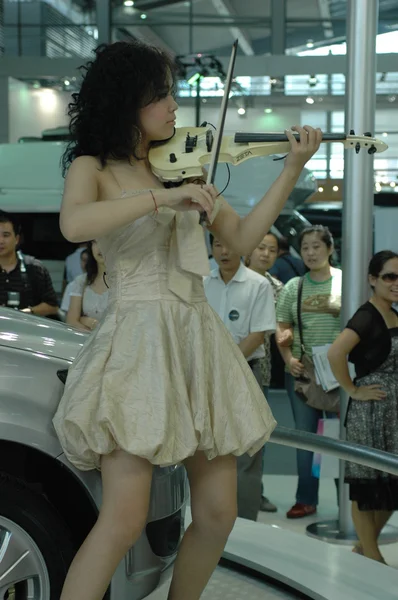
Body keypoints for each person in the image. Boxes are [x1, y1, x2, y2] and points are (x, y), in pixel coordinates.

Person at [51, 39, 322, 600]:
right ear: (129, 102)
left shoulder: (182, 169)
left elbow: (244, 239)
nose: (175, 107)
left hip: (197, 339)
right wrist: (161, 201)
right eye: (162, 96)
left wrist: (292, 166)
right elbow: (75, 224)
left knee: (219, 513)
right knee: (123, 519)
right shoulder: (94, 167)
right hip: (138, 342)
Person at [328, 250, 398, 563]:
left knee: (389, 485)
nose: (396, 283)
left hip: (392, 415)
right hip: (369, 414)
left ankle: (364, 547)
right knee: (366, 484)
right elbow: (335, 353)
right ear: (373, 280)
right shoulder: (367, 316)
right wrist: (352, 389)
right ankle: (371, 554)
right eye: (389, 277)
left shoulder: (394, 314)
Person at [204, 234, 276, 521]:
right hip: (206, 373)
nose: (224, 250)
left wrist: (226, 363)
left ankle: (246, 525)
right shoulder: (201, 282)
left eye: (230, 243)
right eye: (218, 244)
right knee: (207, 448)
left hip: (247, 371)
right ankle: (208, 521)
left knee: (248, 450)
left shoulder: (258, 284)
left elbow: (258, 334)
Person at [276, 225, 341, 519]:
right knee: (307, 438)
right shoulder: (294, 287)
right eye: (305, 248)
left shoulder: (344, 281)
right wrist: (288, 358)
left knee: (343, 438)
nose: (311, 253)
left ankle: (348, 499)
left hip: (341, 372)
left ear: (330, 248)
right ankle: (306, 498)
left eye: (317, 246)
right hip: (305, 373)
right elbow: (283, 327)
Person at [245, 232, 283, 513]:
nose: (266, 254)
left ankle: (254, 492)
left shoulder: (278, 288)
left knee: (259, 436)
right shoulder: (234, 280)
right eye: (261, 247)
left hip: (262, 368)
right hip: (231, 363)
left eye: (272, 250)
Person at [0, 209, 59, 317]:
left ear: (17, 239)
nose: (1, 241)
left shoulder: (35, 268)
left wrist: (26, 313)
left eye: (6, 235)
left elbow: (53, 306)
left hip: (26, 331)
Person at [66, 241, 108, 331]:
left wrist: (84, 320)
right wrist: (92, 324)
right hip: (85, 340)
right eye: (95, 242)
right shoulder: (81, 281)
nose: (99, 247)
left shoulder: (125, 282)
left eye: (106, 241)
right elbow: (71, 321)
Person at [61, 247, 89, 314]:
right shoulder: (72, 285)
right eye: (83, 260)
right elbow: (65, 312)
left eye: (88, 261)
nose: (86, 264)